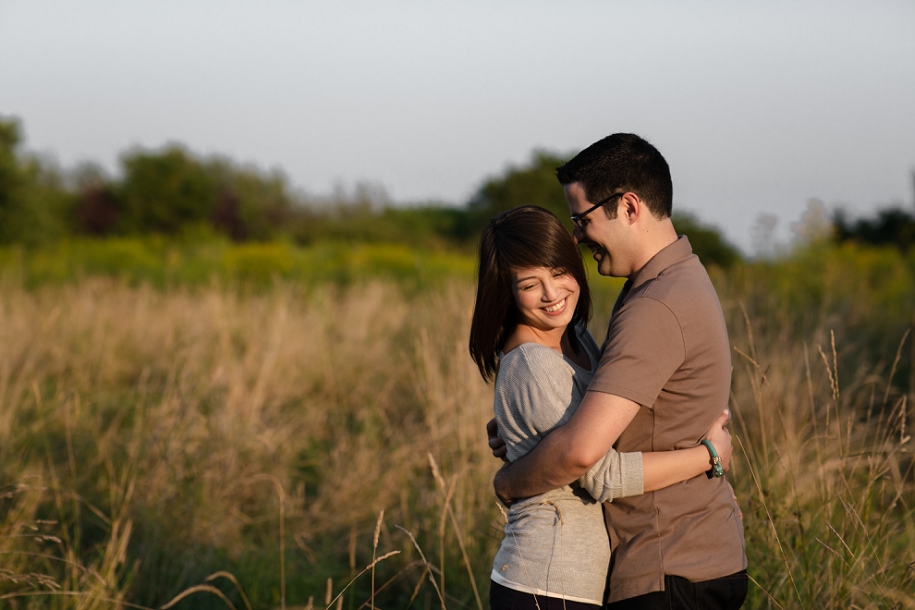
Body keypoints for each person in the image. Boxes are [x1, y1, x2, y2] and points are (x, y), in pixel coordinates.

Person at [490, 134, 748, 609]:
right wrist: (530, 426)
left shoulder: (656, 304)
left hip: (667, 561)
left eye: (582, 219)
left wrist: (509, 481)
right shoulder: (673, 280)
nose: (577, 236)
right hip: (683, 556)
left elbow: (581, 456)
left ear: (629, 207)